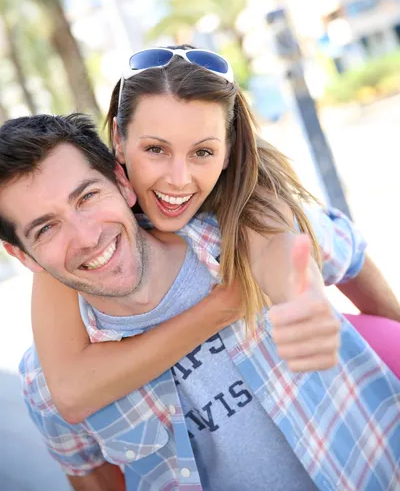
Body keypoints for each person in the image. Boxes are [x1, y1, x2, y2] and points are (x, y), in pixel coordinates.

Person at [0, 114, 399, 491]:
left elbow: (347, 250)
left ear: (122, 182)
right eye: (47, 228)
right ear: (23, 256)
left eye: (87, 196)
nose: (86, 237)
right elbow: (88, 474)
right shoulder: (46, 384)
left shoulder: (246, 240)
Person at [31, 47, 400, 426]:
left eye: (202, 152)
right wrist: (225, 304)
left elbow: (323, 250)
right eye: (155, 149)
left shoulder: (255, 203)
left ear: (227, 152)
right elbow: (70, 393)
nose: (178, 178)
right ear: (119, 141)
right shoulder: (83, 236)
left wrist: (300, 296)